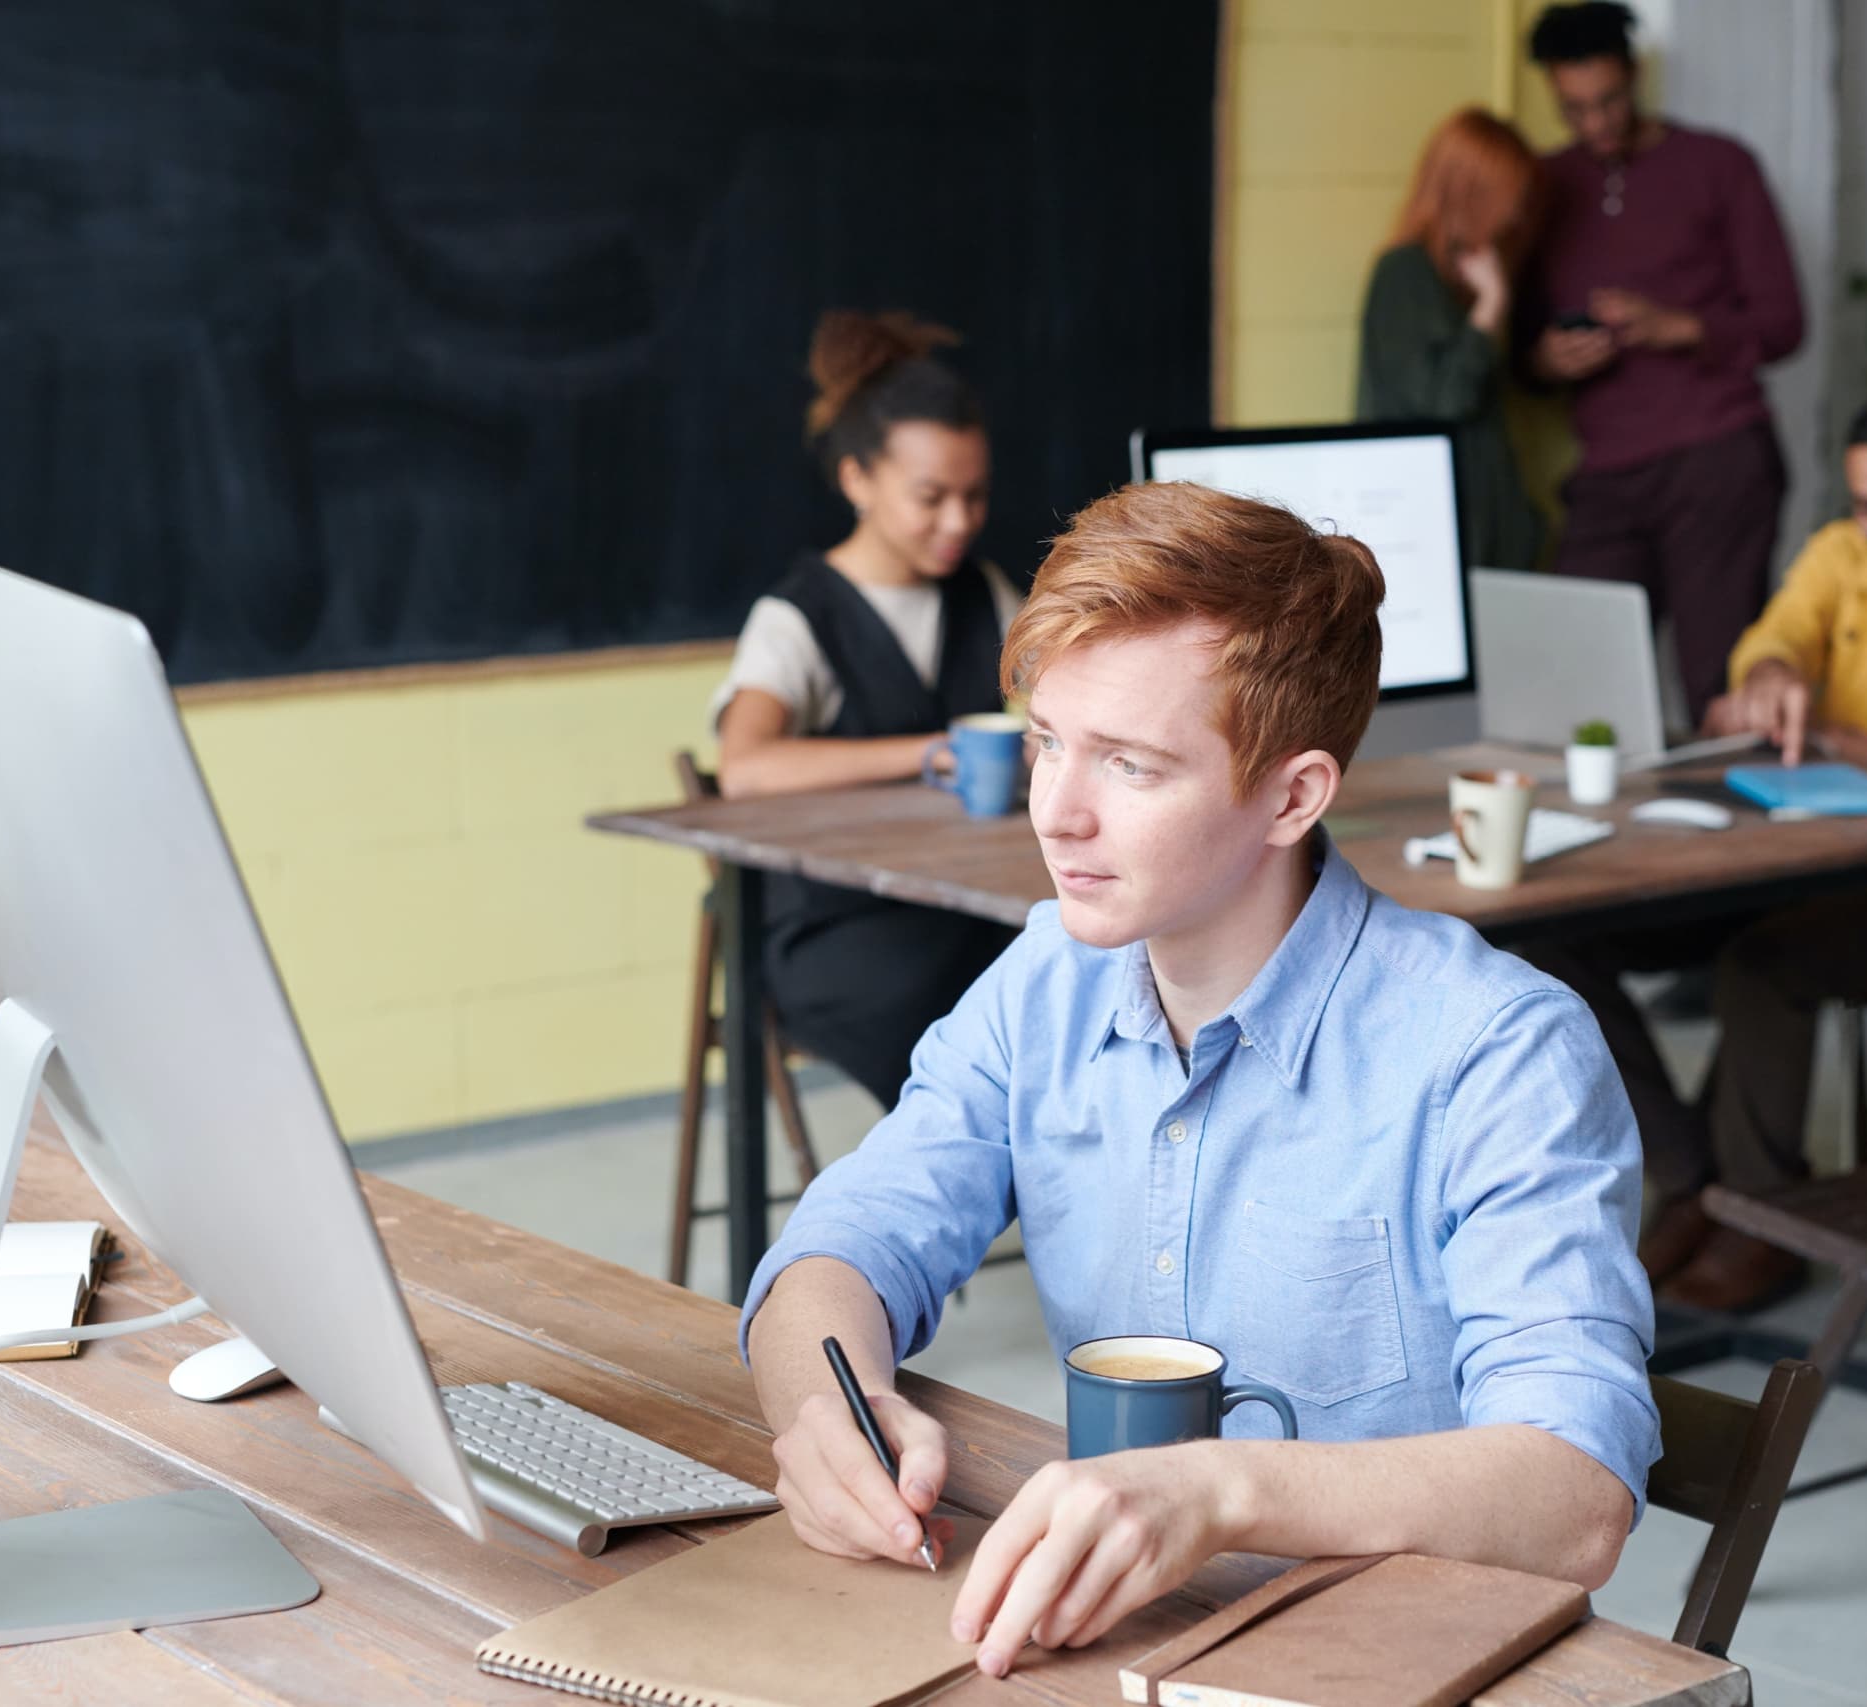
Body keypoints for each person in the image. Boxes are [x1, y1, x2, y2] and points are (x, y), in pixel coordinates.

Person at [739, 481, 1656, 1677]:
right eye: (1046, 744)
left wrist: (1217, 1493)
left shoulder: (1495, 1049)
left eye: (1128, 765)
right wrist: (826, 1412)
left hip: (1387, 1663)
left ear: (1293, 795)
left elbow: (1575, 1493)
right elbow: (846, 1245)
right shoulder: (1045, 979)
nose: (1056, 815)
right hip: (1118, 1644)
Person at [1537, 391, 1867, 1313]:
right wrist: (1772, 676)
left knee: (1763, 966)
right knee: (1548, 939)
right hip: (1789, 857)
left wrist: (1825, 732)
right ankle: (1692, 1173)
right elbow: (1773, 638)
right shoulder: (1840, 554)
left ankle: (1762, 1220)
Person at [709, 310, 1023, 1110]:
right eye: (932, 497)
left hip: (972, 902)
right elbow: (743, 768)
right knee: (986, 1016)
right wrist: (929, 751)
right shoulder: (797, 616)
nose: (959, 521)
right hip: (844, 928)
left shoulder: (985, 592)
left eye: (975, 496)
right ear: (857, 480)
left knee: (1078, 968)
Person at [1521, 0, 1804, 723]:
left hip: (1717, 457)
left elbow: (1784, 324)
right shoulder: (1542, 184)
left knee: (1720, 682)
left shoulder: (1720, 165)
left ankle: (1738, 836)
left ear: (1636, 74)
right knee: (1580, 683)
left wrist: (1676, 326)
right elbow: (1521, 348)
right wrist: (1551, 360)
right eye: (1575, 108)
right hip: (1607, 473)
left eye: (1610, 100)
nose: (1597, 124)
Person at [1357, 107, 1548, 572]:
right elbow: (1443, 402)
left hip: (1478, 536)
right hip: (1436, 535)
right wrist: (1491, 307)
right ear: (1470, 194)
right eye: (1509, 197)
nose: (1516, 214)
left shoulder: (1455, 282)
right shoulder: (1405, 274)